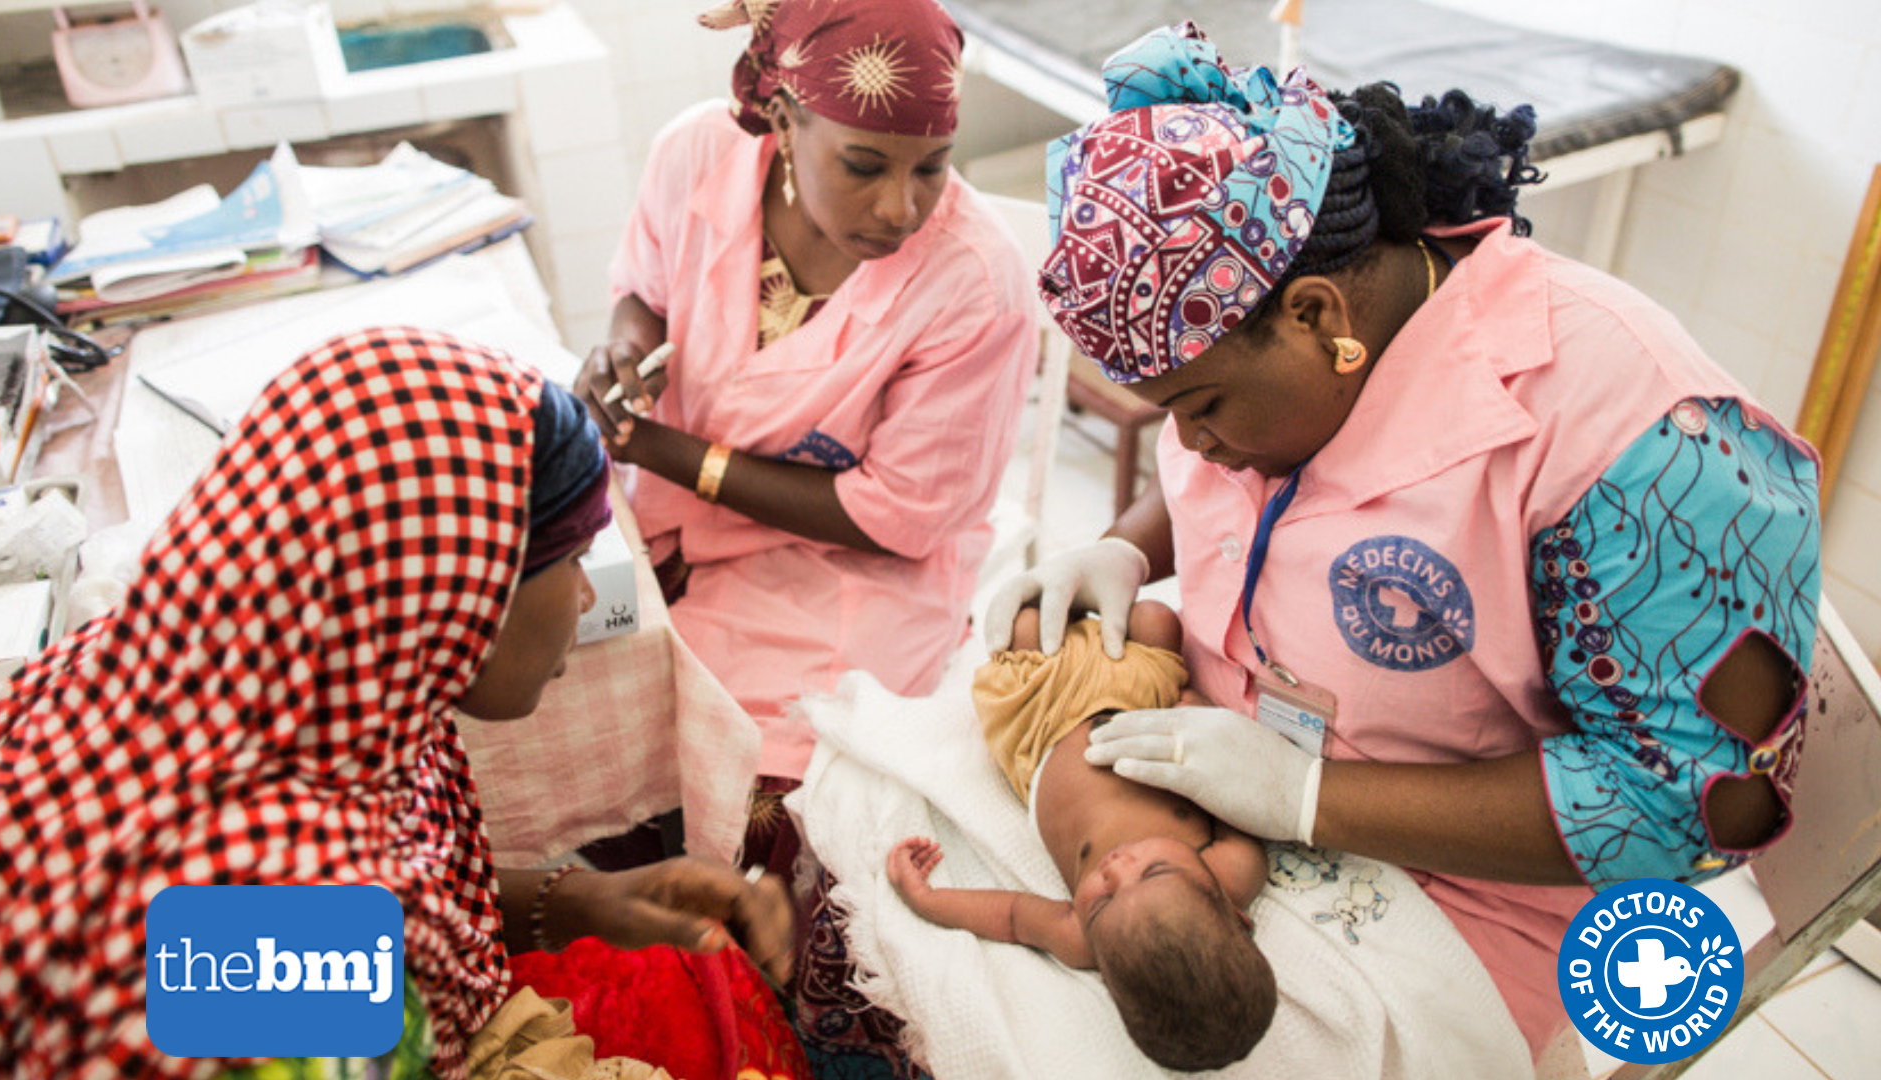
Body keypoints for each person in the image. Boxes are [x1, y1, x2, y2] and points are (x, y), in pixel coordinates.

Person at [986, 22, 1822, 1064]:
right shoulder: (1284, 362)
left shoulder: (1639, 443)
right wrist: (1121, 548)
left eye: (1199, 406)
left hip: (1473, 895)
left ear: (1315, 312)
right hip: (1221, 767)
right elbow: (1259, 487)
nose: (1190, 445)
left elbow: (1688, 801)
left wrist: (1307, 797)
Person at [0, 327, 795, 1080]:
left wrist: (570, 901)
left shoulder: (231, 672)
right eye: (570, 559)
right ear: (445, 584)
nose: (585, 598)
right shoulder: (280, 919)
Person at [571, 0, 1039, 872]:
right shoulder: (698, 154)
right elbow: (643, 286)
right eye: (863, 166)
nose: (900, 208)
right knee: (573, 726)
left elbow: (896, 517)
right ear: (784, 121)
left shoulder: (975, 281)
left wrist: (663, 450)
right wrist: (626, 354)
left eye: (932, 168)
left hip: (846, 569)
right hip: (665, 518)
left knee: (751, 808)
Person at [888, 602, 1275, 1071]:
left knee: (1024, 625)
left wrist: (928, 900)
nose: (1116, 868)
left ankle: (1065, 608)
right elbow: (1233, 781)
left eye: (1102, 901)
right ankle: (1088, 593)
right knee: (1155, 620)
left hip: (1043, 726)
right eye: (1154, 870)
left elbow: (1011, 916)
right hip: (1139, 705)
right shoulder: (1236, 868)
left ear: (1107, 975)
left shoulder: (1081, 942)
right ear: (1233, 913)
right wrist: (1201, 714)